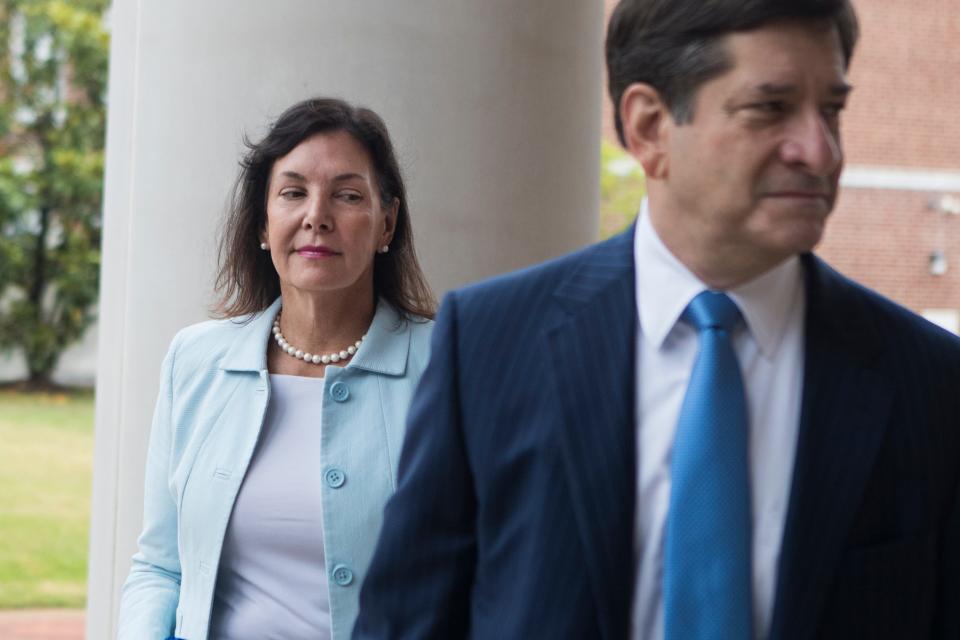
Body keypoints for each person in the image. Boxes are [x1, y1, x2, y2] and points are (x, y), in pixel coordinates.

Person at [354, 1, 960, 638]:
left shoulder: (929, 384)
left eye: (831, 109)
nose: (820, 150)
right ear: (648, 127)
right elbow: (405, 623)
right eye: (771, 108)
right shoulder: (489, 342)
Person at [117, 97, 435, 640]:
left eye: (348, 195)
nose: (317, 215)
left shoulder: (448, 367)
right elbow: (161, 566)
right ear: (264, 224)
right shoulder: (194, 362)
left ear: (387, 224)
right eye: (293, 193)